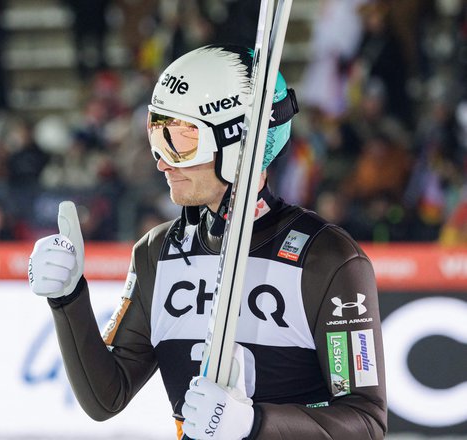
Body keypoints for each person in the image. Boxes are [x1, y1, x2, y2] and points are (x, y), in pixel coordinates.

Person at [28, 45, 387, 440]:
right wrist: (68, 299)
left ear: (237, 143)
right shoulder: (157, 252)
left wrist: (254, 424)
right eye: (156, 134)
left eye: (180, 140)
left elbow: (366, 422)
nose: (163, 162)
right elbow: (105, 398)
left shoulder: (326, 259)